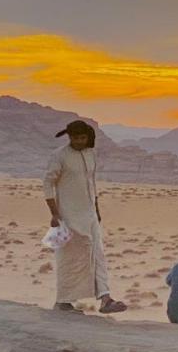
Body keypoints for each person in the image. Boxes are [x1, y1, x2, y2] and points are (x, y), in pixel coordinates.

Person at [43, 120, 126, 314]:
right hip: (67, 217)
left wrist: (96, 210)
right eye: (75, 138)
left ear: (88, 137)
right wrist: (54, 213)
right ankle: (63, 301)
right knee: (68, 258)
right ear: (69, 137)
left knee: (97, 254)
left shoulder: (91, 154)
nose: (79, 141)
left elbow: (91, 184)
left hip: (89, 216)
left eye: (82, 138)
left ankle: (105, 299)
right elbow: (48, 184)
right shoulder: (59, 156)